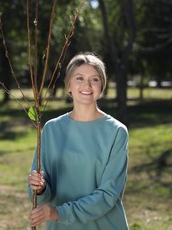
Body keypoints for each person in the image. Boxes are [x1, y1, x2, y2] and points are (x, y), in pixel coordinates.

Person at [27, 52, 129, 229]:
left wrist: (60, 213)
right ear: (68, 85)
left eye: (94, 79)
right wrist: (40, 188)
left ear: (102, 85)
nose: (87, 85)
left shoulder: (116, 132)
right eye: (79, 78)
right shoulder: (51, 129)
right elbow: (39, 194)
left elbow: (108, 195)